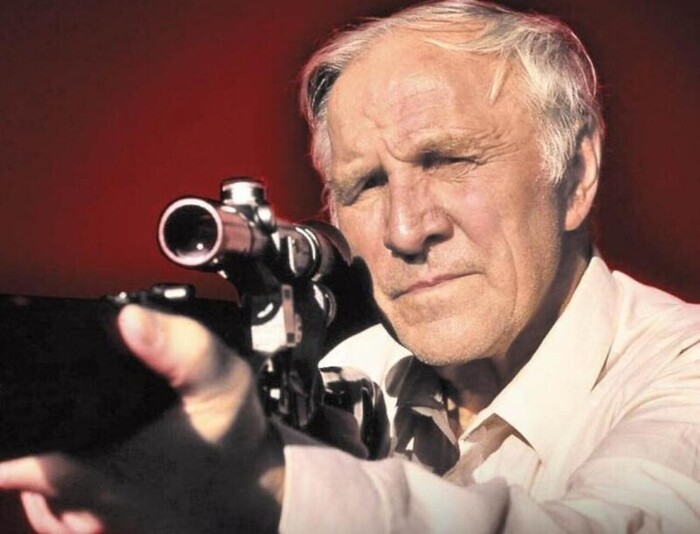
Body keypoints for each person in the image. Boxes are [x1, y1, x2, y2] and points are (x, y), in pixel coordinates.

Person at [1, 0, 699, 532]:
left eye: (449, 161)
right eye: (365, 186)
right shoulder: (344, 372)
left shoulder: (682, 370)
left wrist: (270, 488)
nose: (405, 230)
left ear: (576, 173)